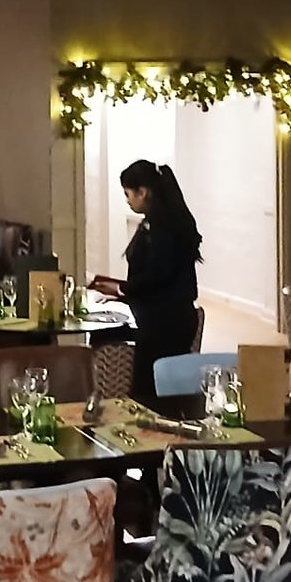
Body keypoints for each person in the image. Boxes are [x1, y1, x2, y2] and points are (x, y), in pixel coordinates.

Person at [93, 159, 201, 404]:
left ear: (143, 192)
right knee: (163, 390)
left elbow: (158, 274)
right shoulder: (170, 219)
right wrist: (122, 292)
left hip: (164, 322)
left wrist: (122, 288)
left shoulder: (162, 226)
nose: (127, 200)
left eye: (128, 194)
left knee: (151, 392)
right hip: (173, 316)